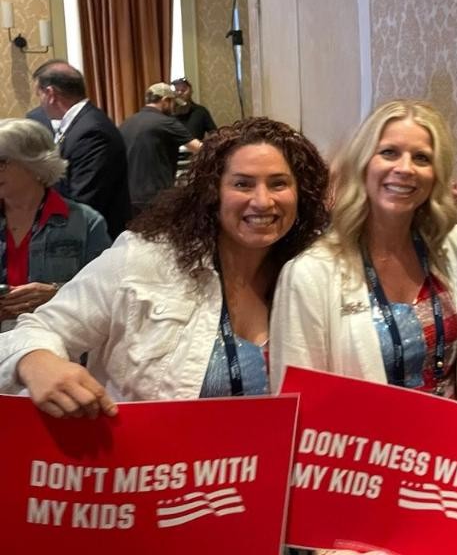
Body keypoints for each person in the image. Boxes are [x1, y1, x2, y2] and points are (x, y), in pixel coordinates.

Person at [0, 117, 330, 417]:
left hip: (276, 462)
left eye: (278, 184)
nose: (262, 201)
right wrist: (36, 361)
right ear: (213, 192)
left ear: (301, 193)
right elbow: (34, 330)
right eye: (242, 184)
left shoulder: (315, 274)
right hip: (156, 461)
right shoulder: (143, 259)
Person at [270, 100, 457, 401]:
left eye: (421, 158)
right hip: (355, 432)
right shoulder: (309, 274)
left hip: (453, 431)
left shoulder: (454, 245)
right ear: (362, 164)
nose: (405, 168)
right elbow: (298, 402)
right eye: (389, 153)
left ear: (436, 175)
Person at [0, 119, 110, 332]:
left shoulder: (85, 222)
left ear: (33, 163)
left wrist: (56, 293)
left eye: (2, 161)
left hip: (58, 339)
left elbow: (106, 291)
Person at [32, 60, 131, 240]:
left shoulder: (92, 131)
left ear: (50, 94)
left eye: (39, 95)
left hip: (95, 242)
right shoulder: (79, 124)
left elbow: (84, 200)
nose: (40, 104)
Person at [119, 83, 202, 216]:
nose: (174, 108)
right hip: (156, 196)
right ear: (165, 101)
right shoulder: (166, 122)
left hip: (128, 197)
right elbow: (199, 148)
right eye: (173, 103)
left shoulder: (126, 123)